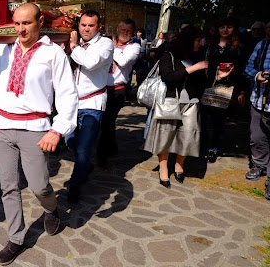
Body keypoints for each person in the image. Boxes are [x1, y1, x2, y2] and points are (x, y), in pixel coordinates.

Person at [0, 3, 78, 265]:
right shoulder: (4, 50)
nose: (21, 29)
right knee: (8, 187)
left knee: (39, 185)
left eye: (27, 23)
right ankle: (16, 238)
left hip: (36, 129)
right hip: (4, 126)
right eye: (17, 23)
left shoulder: (53, 53)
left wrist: (58, 129)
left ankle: (51, 208)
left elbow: (67, 94)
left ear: (40, 21)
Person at [144, 26, 208, 187]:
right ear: (188, 40)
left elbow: (202, 82)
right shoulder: (169, 56)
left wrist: (219, 76)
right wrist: (194, 68)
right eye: (197, 40)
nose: (200, 43)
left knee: (188, 136)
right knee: (165, 136)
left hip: (191, 104)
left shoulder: (197, 56)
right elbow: (168, 77)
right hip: (170, 102)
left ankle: (179, 166)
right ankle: (164, 170)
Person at [64, 10, 113, 203]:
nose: (86, 29)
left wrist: (74, 46)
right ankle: (84, 166)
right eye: (83, 25)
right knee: (70, 141)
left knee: (84, 148)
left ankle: (75, 184)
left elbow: (90, 62)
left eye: (91, 25)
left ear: (99, 27)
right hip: (71, 103)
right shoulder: (74, 44)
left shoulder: (105, 44)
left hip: (92, 103)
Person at [201, 17, 247, 163]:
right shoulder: (211, 46)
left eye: (228, 27)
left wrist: (242, 92)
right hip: (208, 85)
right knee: (203, 117)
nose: (225, 30)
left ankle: (213, 147)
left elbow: (242, 71)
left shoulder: (238, 47)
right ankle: (202, 144)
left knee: (218, 120)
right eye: (222, 27)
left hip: (227, 88)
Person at [97, 18, 141, 168]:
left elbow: (123, 61)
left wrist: (111, 46)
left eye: (128, 31)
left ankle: (103, 156)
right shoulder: (108, 45)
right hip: (102, 89)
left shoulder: (134, 47)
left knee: (107, 122)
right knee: (104, 123)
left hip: (117, 91)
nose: (125, 33)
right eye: (122, 30)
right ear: (117, 30)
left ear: (133, 32)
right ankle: (110, 149)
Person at [245, 21, 270, 188]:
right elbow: (248, 67)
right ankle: (259, 165)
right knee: (257, 137)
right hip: (258, 99)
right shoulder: (262, 44)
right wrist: (257, 75)